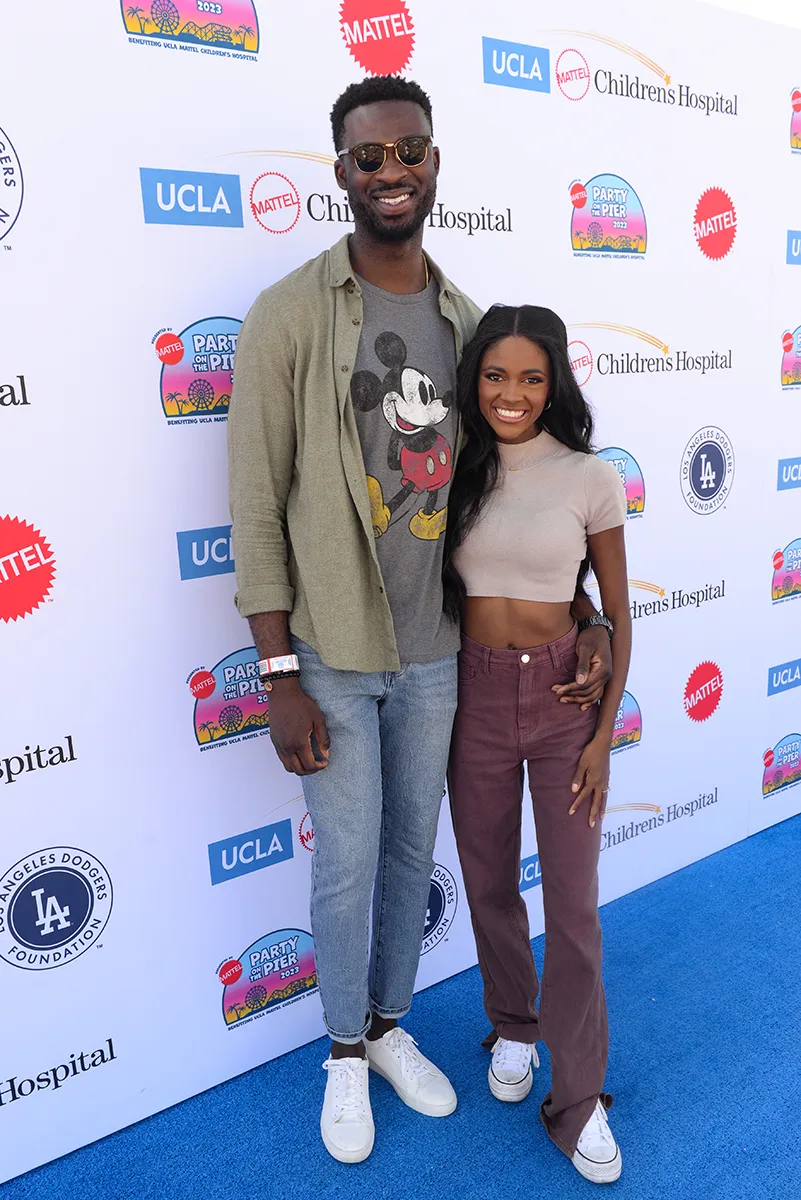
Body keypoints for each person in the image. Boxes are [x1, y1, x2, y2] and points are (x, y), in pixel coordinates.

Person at [228, 76, 614, 1164]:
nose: (391, 173)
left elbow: (520, 491)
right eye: (368, 158)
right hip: (336, 658)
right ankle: (343, 1052)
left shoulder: (465, 322)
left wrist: (584, 611)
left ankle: (393, 1027)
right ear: (339, 172)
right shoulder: (290, 315)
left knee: (409, 858)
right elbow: (255, 504)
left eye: (410, 153)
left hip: (442, 656)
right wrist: (277, 672)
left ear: (436, 161)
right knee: (346, 864)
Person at [443, 305, 631, 1184]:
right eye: (494, 375)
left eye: (529, 377)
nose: (510, 394)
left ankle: (580, 1095)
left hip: (563, 700)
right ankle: (512, 1026)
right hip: (471, 693)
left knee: (576, 908)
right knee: (486, 882)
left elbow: (616, 612)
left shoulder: (591, 476)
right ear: (473, 377)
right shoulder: (448, 466)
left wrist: (601, 730)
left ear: (553, 382)